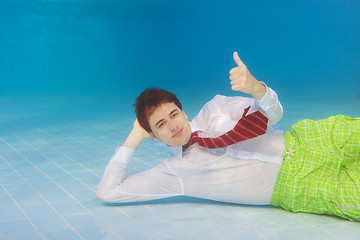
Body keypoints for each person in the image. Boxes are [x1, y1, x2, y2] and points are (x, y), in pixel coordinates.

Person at [97, 52, 360, 221]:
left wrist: (255, 88)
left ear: (183, 112)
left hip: (308, 139)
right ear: (153, 135)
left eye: (174, 114)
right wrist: (134, 136)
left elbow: (273, 115)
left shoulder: (216, 107)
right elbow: (109, 192)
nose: (173, 126)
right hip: (299, 185)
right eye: (161, 125)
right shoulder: (175, 173)